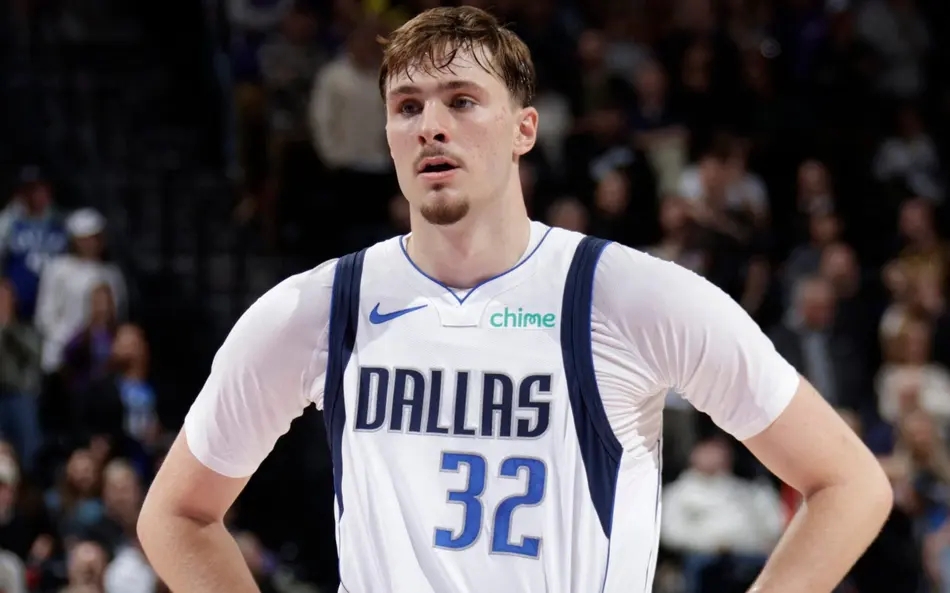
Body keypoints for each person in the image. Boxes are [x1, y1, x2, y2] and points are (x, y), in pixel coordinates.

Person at [137, 7, 892, 593]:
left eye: (462, 100)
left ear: (524, 129)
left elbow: (848, 484)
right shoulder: (317, 307)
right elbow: (177, 514)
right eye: (407, 106)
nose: (431, 125)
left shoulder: (629, 295)